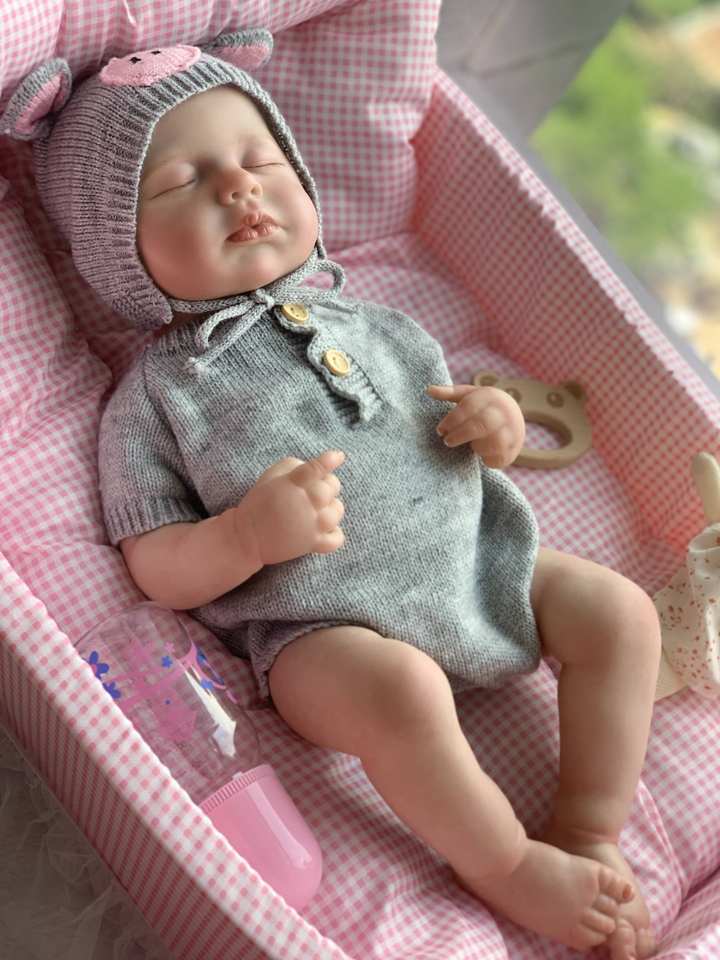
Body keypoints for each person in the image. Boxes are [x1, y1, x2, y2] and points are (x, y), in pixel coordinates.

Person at [2, 32, 661, 959]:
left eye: (258, 159)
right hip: (322, 635)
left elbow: (450, 418)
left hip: (478, 561)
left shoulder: (377, 320)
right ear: (119, 252)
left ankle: (589, 823)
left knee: (620, 613)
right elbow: (154, 564)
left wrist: (494, 425)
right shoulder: (156, 398)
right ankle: (506, 863)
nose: (238, 187)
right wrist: (244, 536)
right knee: (401, 694)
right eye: (184, 181)